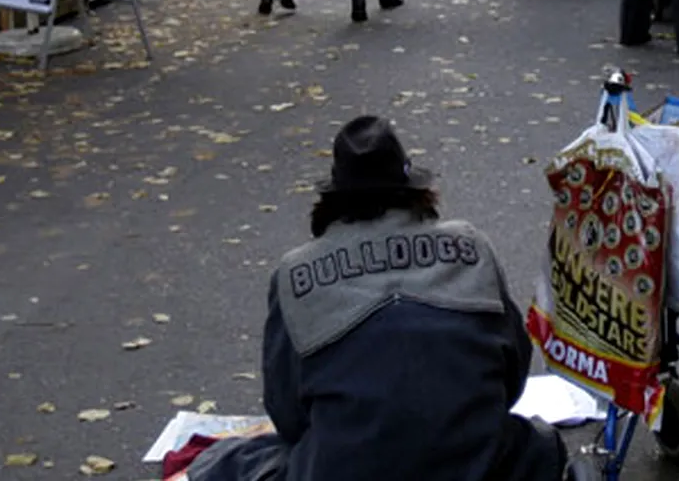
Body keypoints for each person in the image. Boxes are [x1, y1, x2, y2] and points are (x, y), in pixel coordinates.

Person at [177, 116, 569, 481]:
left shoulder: (294, 273)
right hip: (476, 461)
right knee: (538, 445)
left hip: (347, 468)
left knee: (233, 461)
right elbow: (511, 377)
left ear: (333, 198)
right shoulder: (471, 246)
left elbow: (288, 415)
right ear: (415, 189)